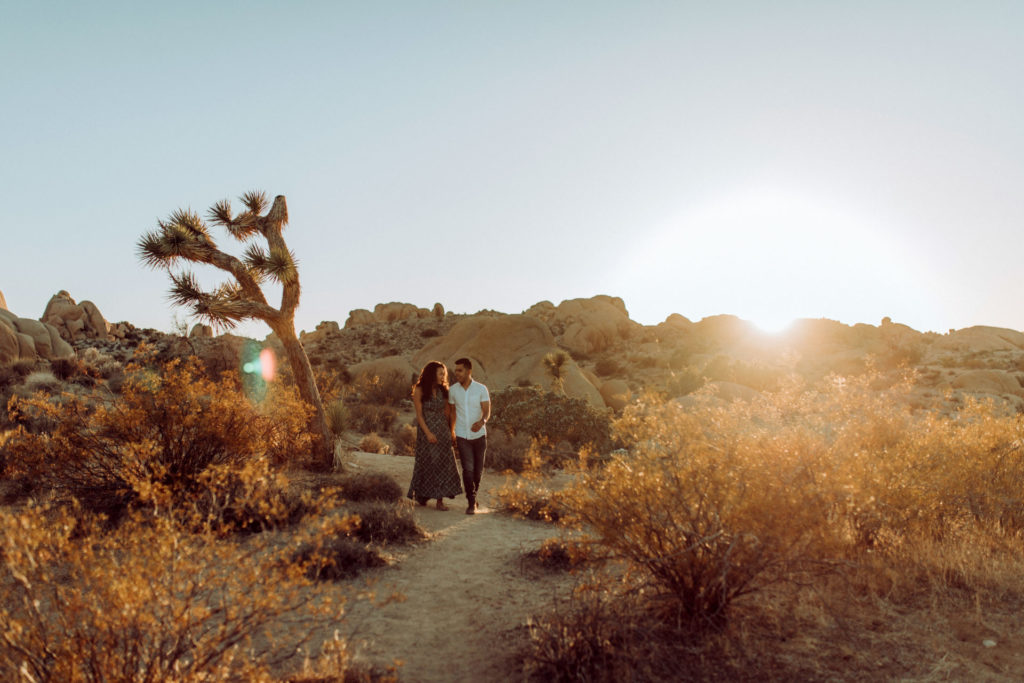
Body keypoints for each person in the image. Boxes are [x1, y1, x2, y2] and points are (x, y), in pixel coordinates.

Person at [407, 361, 463, 510]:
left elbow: (449, 412)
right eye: (440, 373)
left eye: (443, 373)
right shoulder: (419, 390)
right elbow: (419, 415)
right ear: (432, 374)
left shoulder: (444, 390)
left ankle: (439, 501)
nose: (443, 376)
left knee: (443, 464)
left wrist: (451, 431)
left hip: (443, 431)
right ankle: (422, 494)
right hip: (426, 431)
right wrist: (428, 433)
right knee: (426, 462)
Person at [449, 357, 490, 514]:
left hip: (479, 436)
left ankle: (474, 496)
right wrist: (451, 431)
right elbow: (452, 413)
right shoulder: (453, 390)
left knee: (478, 472)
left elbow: (486, 410)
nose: (457, 373)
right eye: (456, 371)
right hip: (461, 435)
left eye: (460, 370)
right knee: (468, 469)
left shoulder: (481, 389)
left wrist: (482, 421)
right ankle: (471, 502)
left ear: (469, 371)